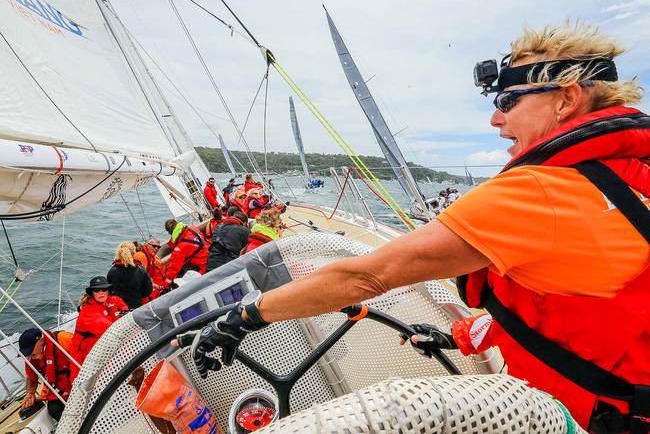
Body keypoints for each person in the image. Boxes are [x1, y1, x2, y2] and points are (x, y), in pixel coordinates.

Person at [175, 23, 650, 432]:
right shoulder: (632, 171)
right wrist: (457, 337)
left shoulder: (542, 191)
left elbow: (364, 278)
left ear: (566, 99)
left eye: (508, 100)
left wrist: (244, 318)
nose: (495, 118)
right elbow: (585, 302)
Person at [69, 276, 128, 383]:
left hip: (100, 349)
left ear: (108, 291)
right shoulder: (87, 312)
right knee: (83, 384)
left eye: (104, 289)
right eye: (97, 290)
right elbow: (110, 329)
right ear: (92, 293)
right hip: (84, 356)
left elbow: (120, 303)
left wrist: (124, 311)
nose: (101, 292)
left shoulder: (111, 300)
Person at [19, 327, 73, 422]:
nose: (30, 356)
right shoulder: (31, 357)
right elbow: (31, 377)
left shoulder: (63, 339)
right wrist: (30, 393)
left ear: (41, 340)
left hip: (78, 385)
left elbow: (87, 353)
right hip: (58, 391)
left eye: (31, 352)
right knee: (54, 410)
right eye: (27, 353)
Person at [107, 241, 153, 310]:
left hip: (118, 309)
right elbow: (148, 291)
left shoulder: (112, 271)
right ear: (134, 253)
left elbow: (109, 292)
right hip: (136, 307)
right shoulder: (140, 270)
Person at [164, 218, 209, 285]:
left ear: (170, 233)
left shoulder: (181, 247)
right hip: (211, 254)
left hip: (204, 266)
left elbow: (174, 268)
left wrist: (166, 283)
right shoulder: (193, 228)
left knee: (184, 273)